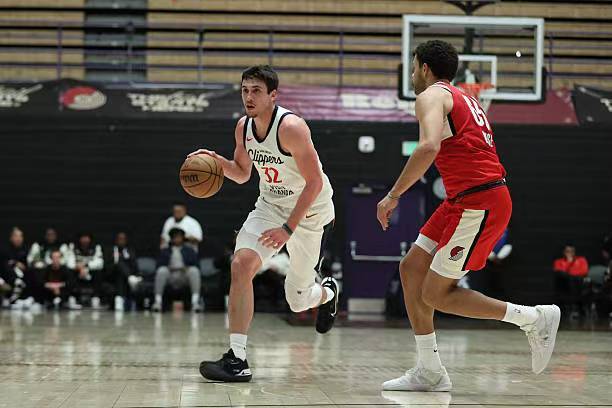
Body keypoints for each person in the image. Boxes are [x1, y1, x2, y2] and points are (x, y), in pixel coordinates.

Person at [376, 40, 560, 392]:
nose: (412, 75)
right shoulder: (465, 98)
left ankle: (534, 318)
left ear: (425, 68)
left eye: (413, 68)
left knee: (436, 294)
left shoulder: (431, 95)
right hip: (461, 199)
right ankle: (429, 370)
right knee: (412, 268)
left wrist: (393, 195)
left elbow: (428, 146)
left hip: (479, 201)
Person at [190, 65, 338, 382]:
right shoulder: (243, 127)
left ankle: (327, 292)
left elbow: (314, 183)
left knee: (297, 301)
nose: (249, 97)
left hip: (310, 213)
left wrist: (288, 229)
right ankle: (237, 359)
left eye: (256, 90)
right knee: (241, 265)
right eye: (245, 90)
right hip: (270, 206)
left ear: (273, 95)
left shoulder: (292, 127)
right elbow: (242, 173)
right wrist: (216, 162)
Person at [152, 227, 202, 312]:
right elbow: (158, 265)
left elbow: (197, 265)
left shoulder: (189, 250)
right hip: (170, 275)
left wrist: (187, 267)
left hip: (184, 275)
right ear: (171, 239)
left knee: (194, 271)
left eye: (179, 237)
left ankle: (195, 302)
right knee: (161, 271)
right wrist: (168, 267)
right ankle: (157, 302)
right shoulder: (165, 250)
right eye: (175, 237)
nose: (177, 239)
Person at [69, 232, 104, 308]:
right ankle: (72, 298)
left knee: (99, 272)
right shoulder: (73, 247)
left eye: (87, 238)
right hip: (77, 271)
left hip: (90, 271)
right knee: (69, 272)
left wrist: (86, 267)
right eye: (83, 237)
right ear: (79, 239)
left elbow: (100, 263)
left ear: (90, 239)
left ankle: (95, 298)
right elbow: (69, 263)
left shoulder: (96, 248)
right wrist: (79, 268)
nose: (85, 240)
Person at [106, 231, 139, 311]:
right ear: (116, 240)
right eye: (120, 239)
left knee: (121, 276)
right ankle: (130, 278)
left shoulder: (129, 251)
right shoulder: (111, 250)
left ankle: (119, 300)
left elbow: (134, 266)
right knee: (119, 264)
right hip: (112, 275)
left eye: (123, 239)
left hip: (124, 277)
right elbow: (107, 266)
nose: (121, 241)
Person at [553, 244, 589, 317]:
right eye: (567, 251)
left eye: (572, 251)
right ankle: (573, 305)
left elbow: (584, 271)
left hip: (579, 284)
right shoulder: (558, 261)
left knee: (576, 279)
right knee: (569, 279)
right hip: (564, 285)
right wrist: (570, 263)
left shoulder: (581, 260)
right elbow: (560, 272)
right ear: (564, 252)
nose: (570, 253)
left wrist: (572, 274)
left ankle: (576, 306)